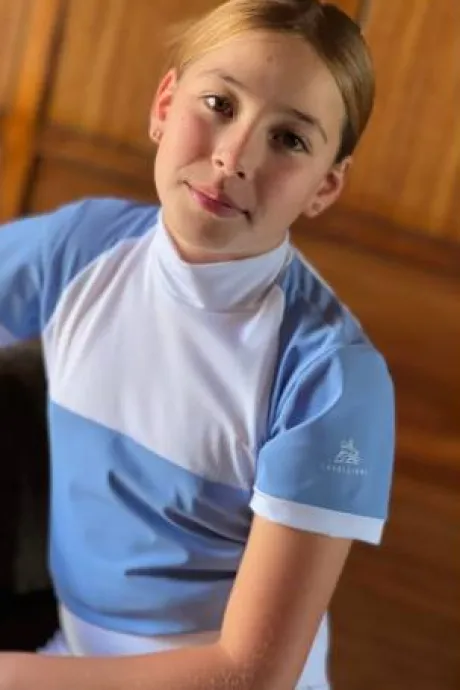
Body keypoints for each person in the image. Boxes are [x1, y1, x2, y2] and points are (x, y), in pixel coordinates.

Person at [0, 0, 395, 688]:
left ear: (324, 186)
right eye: (219, 104)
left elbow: (250, 673)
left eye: (289, 139)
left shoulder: (331, 379)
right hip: (70, 654)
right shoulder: (80, 247)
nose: (233, 156)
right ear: (164, 104)